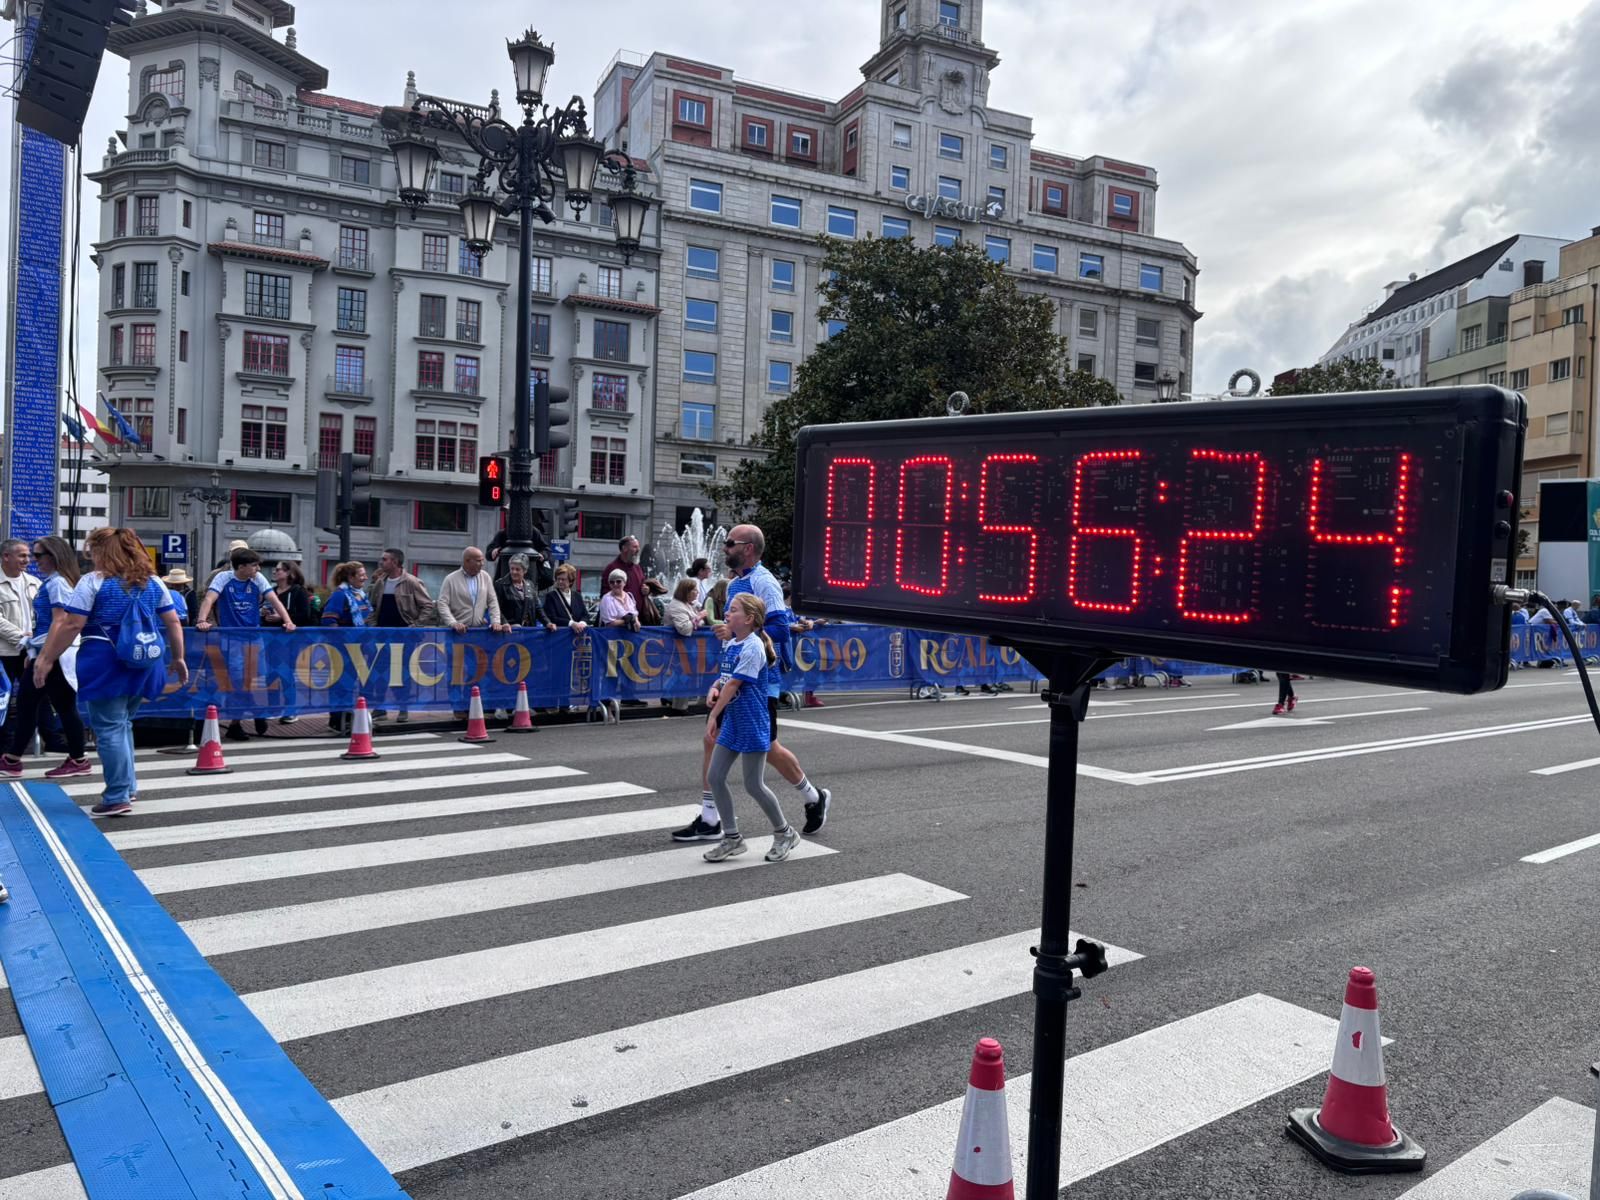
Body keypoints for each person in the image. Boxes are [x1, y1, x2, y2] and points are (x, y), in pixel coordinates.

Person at [673, 524, 831, 843]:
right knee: (715, 738)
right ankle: (711, 817)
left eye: (730, 543)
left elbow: (780, 630)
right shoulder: (737, 583)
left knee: (766, 750)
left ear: (748, 548)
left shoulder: (764, 582)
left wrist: (738, 638)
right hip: (737, 676)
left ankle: (812, 799)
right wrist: (727, 651)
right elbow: (740, 631)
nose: (724, 547)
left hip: (761, 682)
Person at [36, 528, 188, 817]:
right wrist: (178, 658)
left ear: (104, 552)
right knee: (123, 723)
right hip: (146, 659)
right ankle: (127, 786)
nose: (90, 557)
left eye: (92, 551)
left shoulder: (93, 582)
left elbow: (71, 625)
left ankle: (117, 795)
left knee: (109, 727)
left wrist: (47, 657)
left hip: (105, 660)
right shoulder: (154, 582)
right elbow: (173, 622)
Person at [701, 593, 801, 864]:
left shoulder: (753, 647)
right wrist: (714, 686)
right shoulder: (732, 643)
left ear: (748, 619)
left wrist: (713, 715)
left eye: (733, 610)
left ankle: (785, 833)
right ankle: (732, 838)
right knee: (716, 776)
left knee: (753, 785)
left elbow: (735, 685)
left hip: (753, 720)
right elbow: (725, 679)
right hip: (735, 719)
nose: (727, 614)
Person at [1, 536, 89, 778]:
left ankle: (13, 759)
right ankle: (15, 759)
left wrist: (44, 656)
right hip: (53, 652)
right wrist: (36, 651)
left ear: (54, 555)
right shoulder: (54, 582)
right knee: (52, 705)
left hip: (55, 654)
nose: (33, 560)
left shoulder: (56, 583)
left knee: (38, 704)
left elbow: (60, 621)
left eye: (38, 555)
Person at [195, 547, 297, 740]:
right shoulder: (223, 578)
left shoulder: (257, 579)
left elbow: (274, 600)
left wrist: (288, 620)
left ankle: (242, 719)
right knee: (237, 683)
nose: (258, 569)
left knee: (253, 681)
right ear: (241, 567)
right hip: (231, 639)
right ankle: (250, 714)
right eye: (254, 565)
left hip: (254, 637)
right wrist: (202, 620)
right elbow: (209, 598)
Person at [0, 539, 39, 748]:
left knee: (38, 696)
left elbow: (43, 613)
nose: (28, 560)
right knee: (2, 699)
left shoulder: (34, 582)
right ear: (6, 556)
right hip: (5, 651)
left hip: (31, 650)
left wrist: (37, 637)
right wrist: (21, 636)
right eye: (22, 555)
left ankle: (50, 739)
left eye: (29, 555)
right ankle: (4, 743)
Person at [435, 547, 510, 632]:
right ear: (467, 561)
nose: (482, 564)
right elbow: (442, 604)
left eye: (482, 560)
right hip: (456, 633)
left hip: (478, 632)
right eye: (479, 561)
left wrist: (496, 622)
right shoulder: (450, 579)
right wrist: (453, 623)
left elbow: (492, 601)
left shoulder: (485, 577)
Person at [367, 548, 433, 629]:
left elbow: (427, 606)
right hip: (382, 633)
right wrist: (372, 625)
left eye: (384, 560)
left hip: (407, 634)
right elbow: (372, 607)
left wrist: (416, 625)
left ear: (395, 562)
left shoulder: (412, 581)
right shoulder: (380, 582)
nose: (381, 563)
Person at [600, 536, 647, 612]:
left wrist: (646, 590)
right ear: (624, 548)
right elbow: (605, 594)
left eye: (638, 547)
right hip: (617, 618)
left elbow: (643, 585)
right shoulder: (611, 568)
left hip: (636, 618)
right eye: (635, 547)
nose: (638, 550)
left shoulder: (637, 568)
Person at [541, 563, 591, 633]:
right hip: (559, 635)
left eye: (563, 579)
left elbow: (585, 615)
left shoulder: (577, 596)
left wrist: (582, 624)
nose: (560, 582)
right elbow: (552, 618)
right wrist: (571, 623)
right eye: (558, 579)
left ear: (570, 581)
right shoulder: (551, 596)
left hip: (577, 635)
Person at [263, 561, 314, 628]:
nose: (274, 572)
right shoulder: (271, 592)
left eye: (278, 570)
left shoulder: (299, 591)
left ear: (288, 573)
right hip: (270, 634)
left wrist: (282, 618)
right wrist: (264, 614)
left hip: (292, 635)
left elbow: (304, 615)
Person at [320, 561, 373, 626]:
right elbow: (328, 620)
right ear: (351, 577)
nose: (366, 578)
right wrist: (343, 635)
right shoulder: (339, 595)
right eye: (362, 575)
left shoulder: (362, 595)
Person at [495, 555, 541, 627]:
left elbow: (537, 607)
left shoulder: (530, 584)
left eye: (517, 569)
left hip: (529, 630)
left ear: (525, 570)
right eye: (512, 569)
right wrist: (505, 623)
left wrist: (548, 623)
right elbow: (496, 608)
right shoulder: (500, 585)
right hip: (509, 630)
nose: (514, 572)